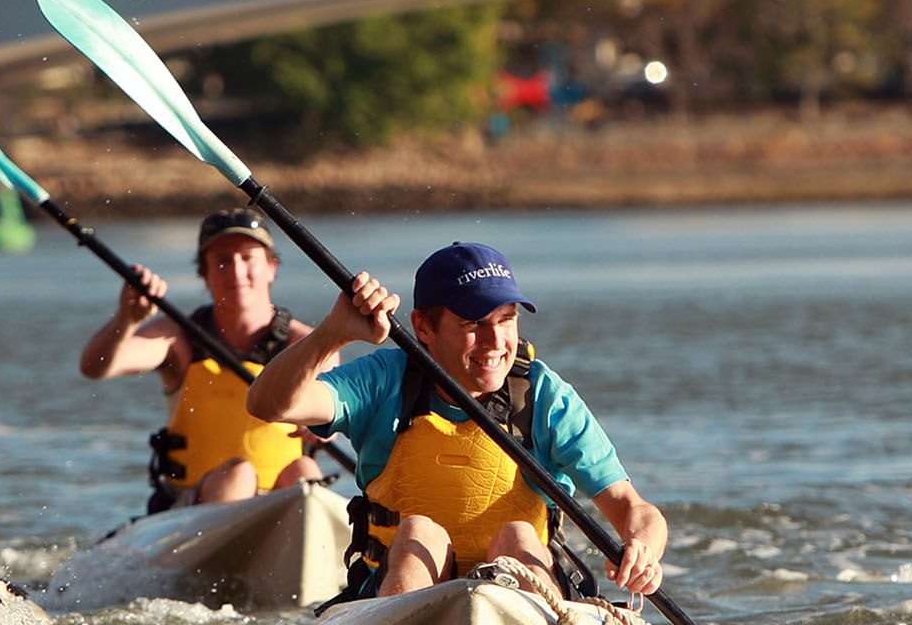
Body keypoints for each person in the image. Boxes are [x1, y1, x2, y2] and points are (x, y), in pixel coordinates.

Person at [247, 241, 667, 603]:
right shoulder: (384, 379)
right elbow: (269, 404)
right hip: (403, 595)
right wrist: (333, 334)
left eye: (506, 319)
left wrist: (642, 549)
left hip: (521, 596)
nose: (495, 341)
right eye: (472, 324)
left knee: (519, 538)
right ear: (422, 327)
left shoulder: (543, 395)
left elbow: (635, 509)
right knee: (418, 535)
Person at [79, 208, 329, 514]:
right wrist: (126, 320)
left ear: (271, 267)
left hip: (281, 510)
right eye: (223, 261)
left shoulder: (306, 344)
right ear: (203, 272)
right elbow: (97, 366)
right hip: (192, 509)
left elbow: (335, 411)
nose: (236, 272)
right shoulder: (176, 337)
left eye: (247, 258)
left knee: (306, 473)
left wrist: (325, 425)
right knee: (238, 473)